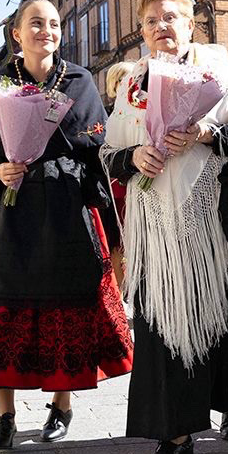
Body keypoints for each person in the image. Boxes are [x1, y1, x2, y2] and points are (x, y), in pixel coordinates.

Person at [102, 0, 228, 454]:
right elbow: (108, 153)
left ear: (189, 23)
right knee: (161, 325)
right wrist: (132, 156)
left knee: (227, 318)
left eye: (170, 17)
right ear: (141, 32)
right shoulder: (131, 84)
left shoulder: (218, 71)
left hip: (215, 222)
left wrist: (208, 133)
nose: (161, 27)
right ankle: (174, 434)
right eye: (150, 21)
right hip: (156, 227)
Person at [0, 0, 132, 450]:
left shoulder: (80, 80)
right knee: (2, 303)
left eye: (53, 24)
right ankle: (5, 415)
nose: (46, 30)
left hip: (65, 204)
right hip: (13, 210)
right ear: (17, 34)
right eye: (36, 23)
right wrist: (0, 169)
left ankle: (62, 405)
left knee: (64, 306)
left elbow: (96, 146)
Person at [104, 61, 135, 286]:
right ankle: (121, 290)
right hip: (115, 190)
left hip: (139, 186)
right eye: (123, 79)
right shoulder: (106, 115)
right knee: (116, 243)